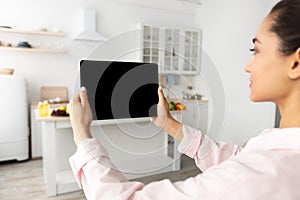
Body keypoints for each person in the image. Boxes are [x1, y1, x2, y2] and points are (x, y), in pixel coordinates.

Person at [68, 0, 300, 199]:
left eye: (255, 50)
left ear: (296, 63)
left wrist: (81, 134)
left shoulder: (263, 175)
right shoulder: (277, 154)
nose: (247, 66)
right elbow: (238, 159)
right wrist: (169, 124)